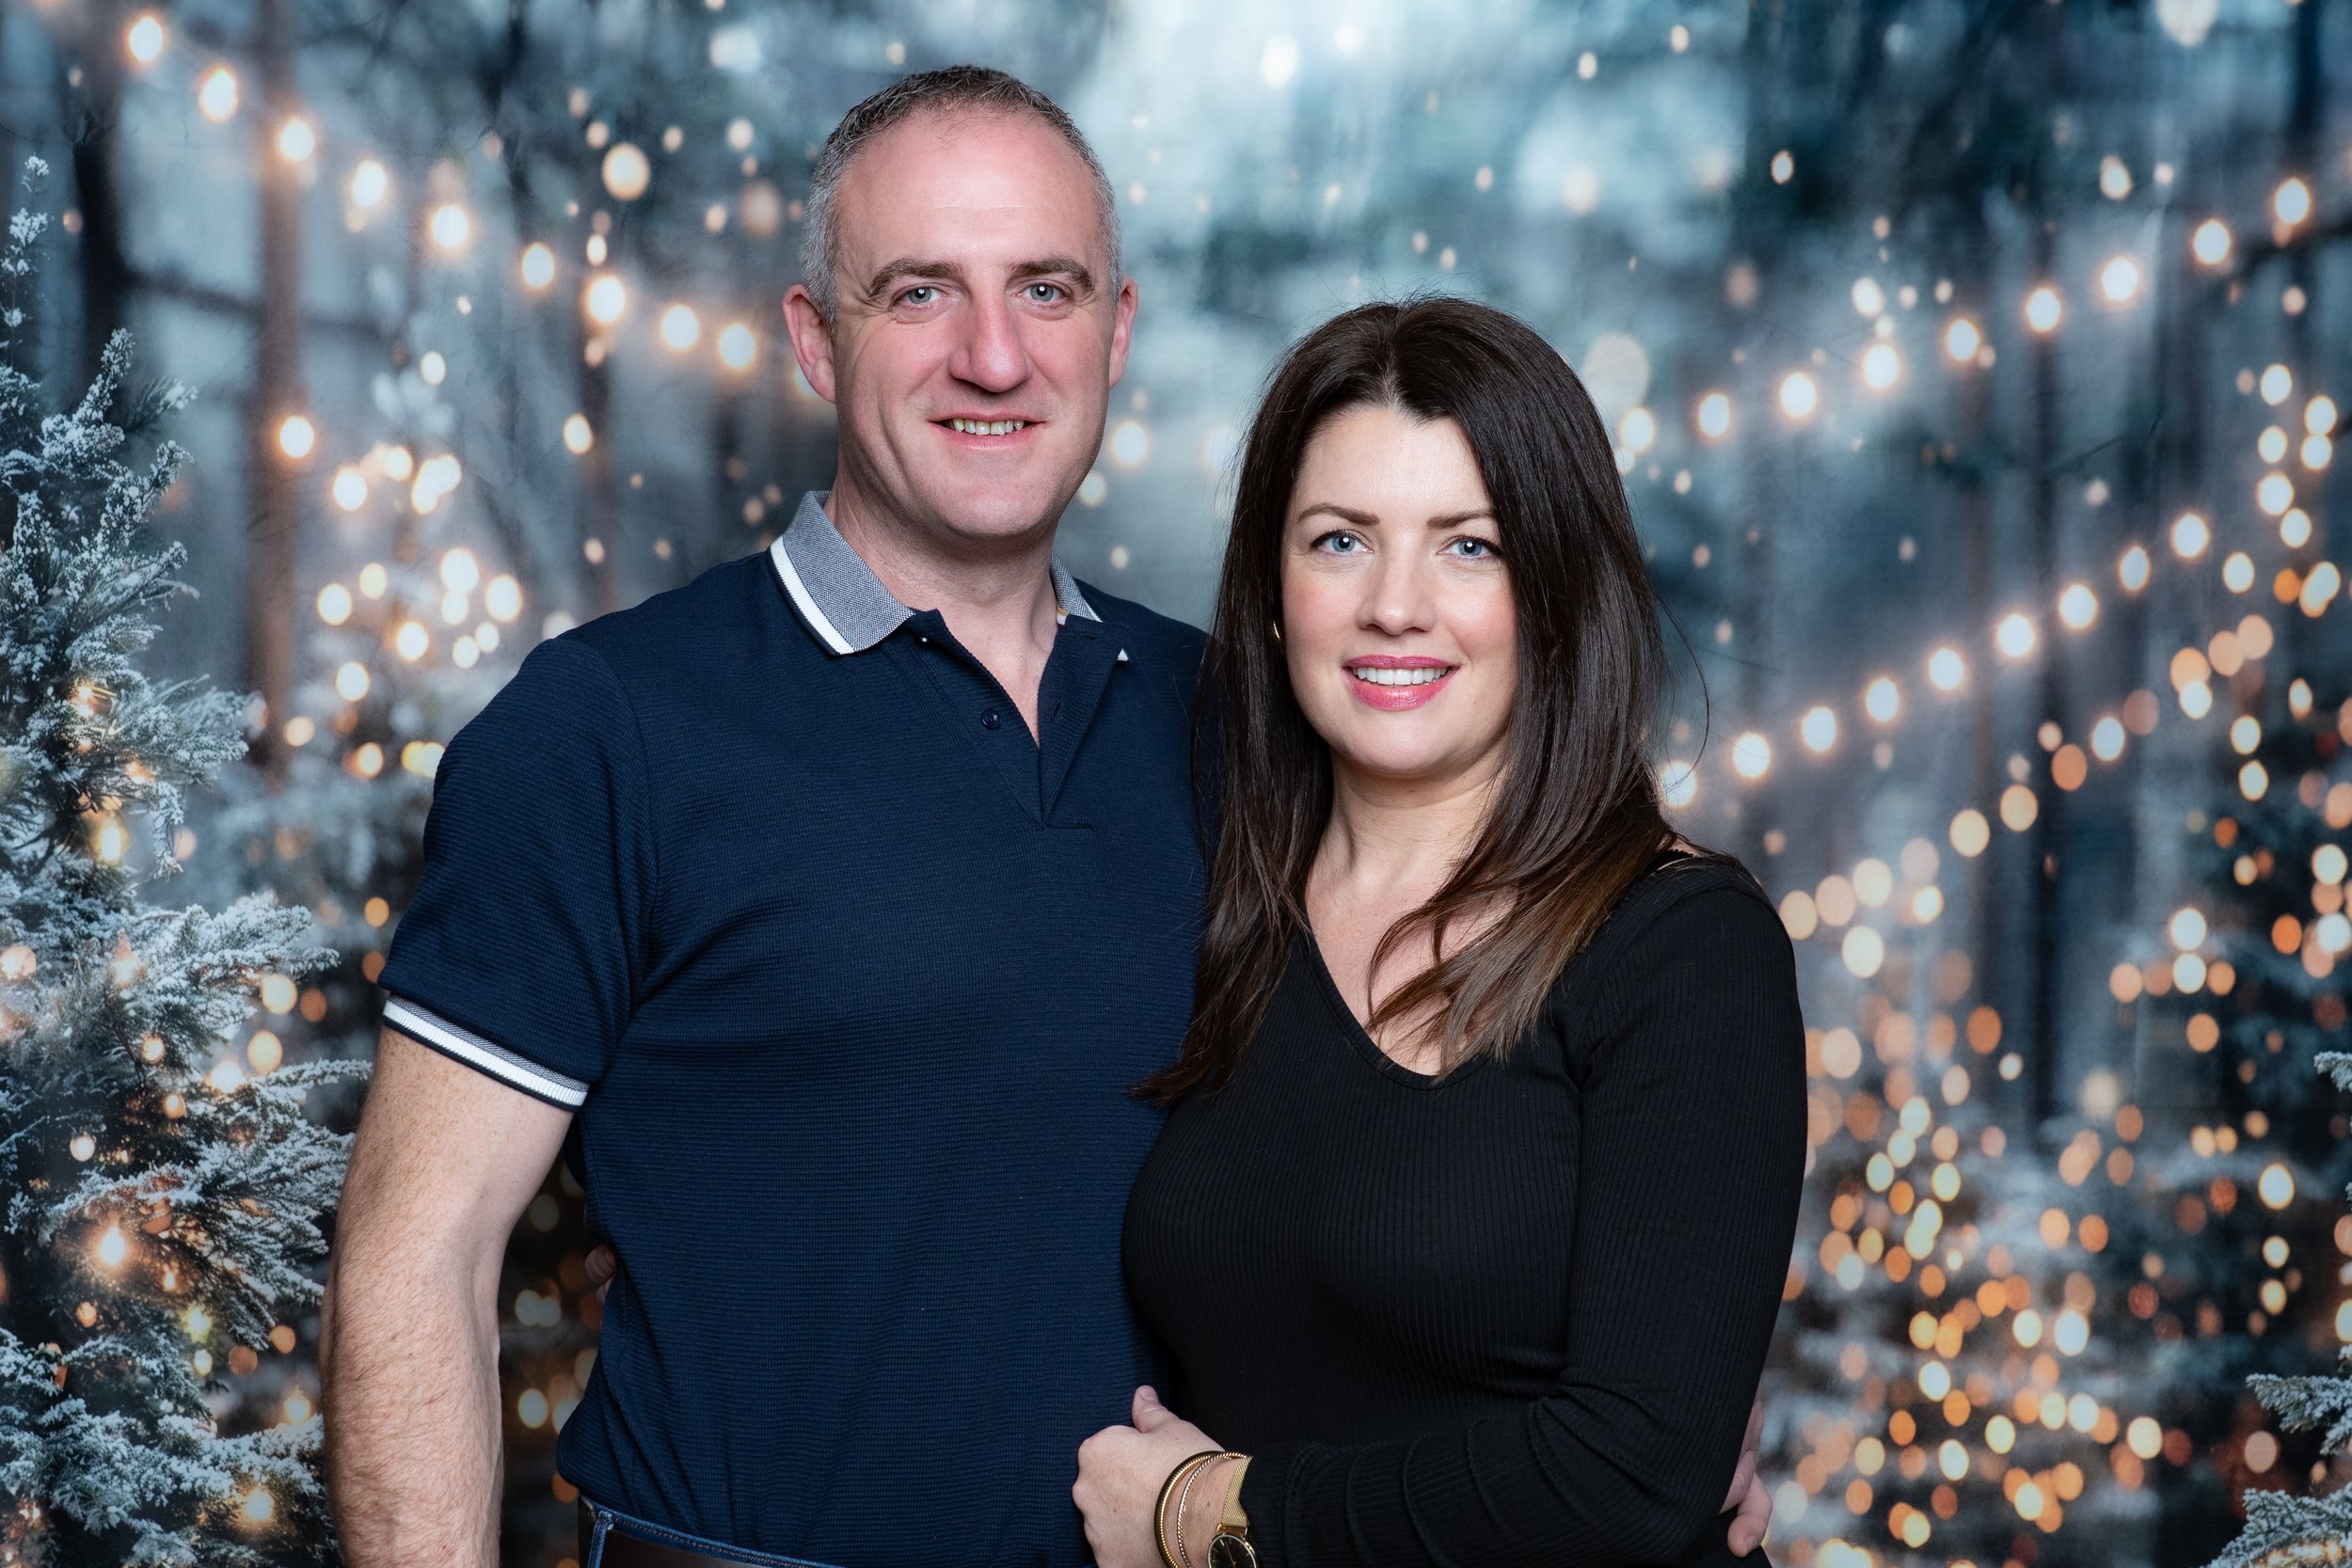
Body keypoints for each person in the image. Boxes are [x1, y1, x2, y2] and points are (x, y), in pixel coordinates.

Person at [323, 66, 1773, 1568]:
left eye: (1046, 289)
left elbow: (1439, 1162)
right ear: (815, 341)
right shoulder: (608, 729)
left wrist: (1649, 1419)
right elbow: (414, 1253)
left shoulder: (1250, 731)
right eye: (919, 295)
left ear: (1117, 330)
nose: (993, 355)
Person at [1072, 298, 1806, 1568]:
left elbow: (1635, 1477)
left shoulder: (1683, 945)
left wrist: (1212, 1515)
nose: (1395, 606)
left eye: (1470, 546)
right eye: (1341, 540)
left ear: (1557, 589)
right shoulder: (1217, 897)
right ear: (1268, 588)